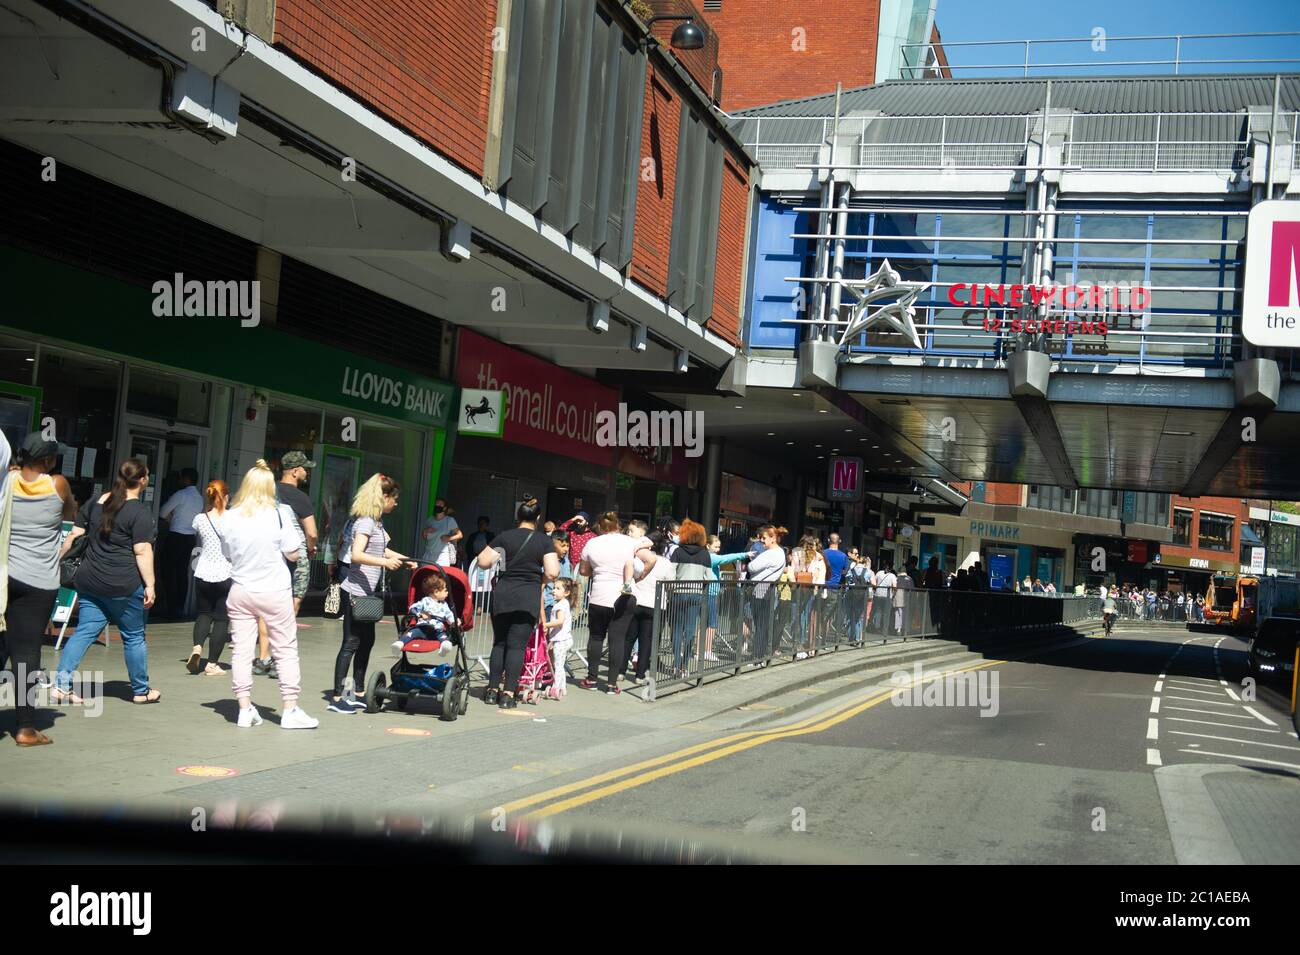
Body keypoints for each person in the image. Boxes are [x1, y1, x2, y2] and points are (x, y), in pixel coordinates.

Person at [216, 460, 318, 729]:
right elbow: (294, 552)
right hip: (274, 589)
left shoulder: (230, 515)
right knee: (285, 649)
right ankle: (290, 708)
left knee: (241, 650)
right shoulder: (280, 512)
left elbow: (227, 552)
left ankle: (244, 708)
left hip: (240, 590)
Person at [54, 458, 160, 705]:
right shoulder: (139, 513)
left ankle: (61, 685)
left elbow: (74, 536)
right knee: (133, 636)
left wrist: (57, 562)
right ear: (143, 481)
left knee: (84, 632)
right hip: (123, 585)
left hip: (90, 581)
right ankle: (141, 690)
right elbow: (143, 551)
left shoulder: (94, 503)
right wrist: (151, 586)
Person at [2, 433, 77, 745]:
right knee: (27, 651)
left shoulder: (8, 481)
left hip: (5, 576)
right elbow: (70, 513)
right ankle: (25, 727)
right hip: (39, 581)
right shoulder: (56, 484)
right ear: (47, 460)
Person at [331, 473, 418, 714]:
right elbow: (356, 554)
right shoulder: (366, 521)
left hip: (368, 593)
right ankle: (339, 697)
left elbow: (383, 549)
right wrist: (383, 563)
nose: (396, 503)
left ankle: (358, 691)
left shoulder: (377, 522)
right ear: (384, 497)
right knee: (350, 643)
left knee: (366, 642)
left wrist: (404, 560)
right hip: (355, 591)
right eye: (394, 498)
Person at [476, 496, 558, 709]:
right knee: (517, 646)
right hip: (527, 595)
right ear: (537, 518)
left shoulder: (504, 537)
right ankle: (508, 694)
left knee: (499, 643)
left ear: (518, 516)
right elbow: (552, 571)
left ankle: (492, 690)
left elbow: (483, 561)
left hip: (503, 594)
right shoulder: (544, 541)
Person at [577, 512, 639, 694]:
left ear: (600, 526)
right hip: (623, 596)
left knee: (596, 637)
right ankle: (612, 684)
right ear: (618, 525)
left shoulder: (592, 543)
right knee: (617, 639)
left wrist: (597, 570)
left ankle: (592, 678)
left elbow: (583, 570)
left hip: (598, 596)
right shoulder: (629, 542)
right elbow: (647, 555)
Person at [188, 479, 233, 677]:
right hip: (226, 572)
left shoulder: (200, 519)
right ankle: (212, 664)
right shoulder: (233, 519)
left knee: (204, 614)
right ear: (225, 497)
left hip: (203, 571)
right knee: (221, 619)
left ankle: (197, 647)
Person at [276, 452, 319, 619]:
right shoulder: (300, 497)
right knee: (296, 595)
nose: (307, 472)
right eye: (305, 469)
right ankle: (284, 631)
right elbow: (312, 532)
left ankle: (261, 633)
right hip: (296, 551)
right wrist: (310, 548)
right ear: (294, 471)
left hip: (272, 549)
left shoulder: (269, 490)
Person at [627, 531, 673, 680]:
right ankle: (640, 674)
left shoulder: (639, 559)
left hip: (636, 601)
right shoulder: (666, 563)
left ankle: (621, 671)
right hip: (655, 604)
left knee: (629, 638)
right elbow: (670, 584)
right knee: (646, 641)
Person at [668, 519, 713, 673]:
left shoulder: (678, 552)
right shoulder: (705, 554)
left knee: (676, 629)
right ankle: (684, 665)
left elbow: (670, 574)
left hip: (678, 594)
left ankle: (676, 663)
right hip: (696, 594)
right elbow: (709, 577)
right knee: (690, 629)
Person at [158, 467, 202, 616]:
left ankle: (170, 605)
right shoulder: (199, 497)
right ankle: (180, 605)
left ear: (186, 479)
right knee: (182, 572)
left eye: (181, 477)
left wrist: (171, 518)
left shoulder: (181, 494)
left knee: (167, 570)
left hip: (176, 535)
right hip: (190, 537)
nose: (179, 480)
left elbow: (163, 512)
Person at [745, 525, 788, 663]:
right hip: (768, 589)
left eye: (764, 538)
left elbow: (752, 567)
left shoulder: (771, 553)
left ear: (773, 538)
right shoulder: (780, 552)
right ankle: (760, 654)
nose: (762, 541)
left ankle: (757, 656)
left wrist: (753, 564)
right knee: (763, 623)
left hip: (761, 590)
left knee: (760, 624)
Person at [703, 534, 749, 663]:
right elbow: (726, 558)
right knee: (712, 624)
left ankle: (701, 651)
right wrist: (744, 555)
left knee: (706, 624)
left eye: (719, 547)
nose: (718, 549)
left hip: (710, 592)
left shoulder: (708, 557)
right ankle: (707, 651)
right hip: (710, 593)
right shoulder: (711, 558)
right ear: (708, 546)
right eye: (716, 546)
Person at [393, 572, 456, 654]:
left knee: (443, 636)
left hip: (436, 629)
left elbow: (449, 614)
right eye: (445, 590)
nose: (447, 593)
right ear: (436, 592)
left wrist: (453, 621)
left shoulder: (444, 605)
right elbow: (413, 607)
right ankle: (400, 643)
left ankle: (445, 646)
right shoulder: (425, 601)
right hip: (422, 627)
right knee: (411, 633)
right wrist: (419, 614)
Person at [558, 512, 596, 620]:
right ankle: (565, 612)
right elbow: (560, 532)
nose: (578, 523)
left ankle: (575, 616)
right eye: (577, 521)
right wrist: (572, 520)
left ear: (587, 522)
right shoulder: (572, 533)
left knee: (579, 591)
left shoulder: (592, 536)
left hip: (583, 567)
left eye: (581, 521)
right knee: (567, 589)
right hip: (570, 566)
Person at [543, 576, 574, 698]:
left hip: (562, 640)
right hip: (560, 638)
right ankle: (562, 687)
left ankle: (557, 686)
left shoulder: (560, 606)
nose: (553, 591)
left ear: (566, 592)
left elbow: (560, 621)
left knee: (558, 665)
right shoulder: (563, 603)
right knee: (559, 663)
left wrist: (545, 624)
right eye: (554, 588)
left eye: (558, 588)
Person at [420, 497, 461, 567]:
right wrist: (425, 531)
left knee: (439, 577)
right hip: (428, 554)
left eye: (440, 504)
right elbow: (424, 537)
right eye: (436, 504)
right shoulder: (430, 520)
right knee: (427, 576)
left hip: (442, 556)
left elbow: (460, 535)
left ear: (444, 508)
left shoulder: (449, 520)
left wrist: (449, 538)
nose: (437, 506)